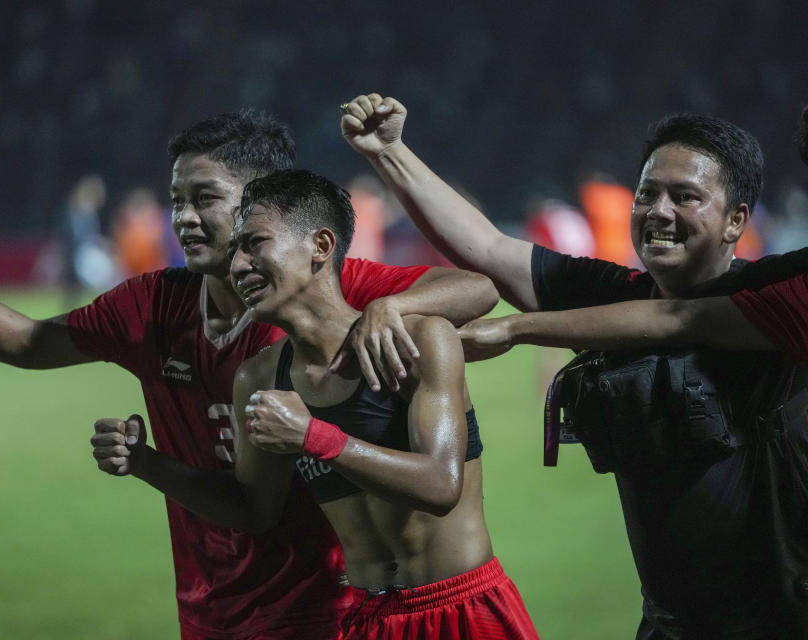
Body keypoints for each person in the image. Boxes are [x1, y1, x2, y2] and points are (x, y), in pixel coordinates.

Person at [0, 110, 498, 640]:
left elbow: (475, 286)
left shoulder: (325, 290)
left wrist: (392, 308)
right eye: (176, 200)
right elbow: (28, 342)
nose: (182, 218)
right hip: (208, 607)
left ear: (263, 203)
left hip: (324, 606)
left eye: (205, 198)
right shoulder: (152, 306)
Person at [341, 93, 808, 638]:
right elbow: (488, 247)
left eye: (685, 197)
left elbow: (683, 320)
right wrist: (390, 152)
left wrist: (517, 328)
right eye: (647, 194)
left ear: (736, 222)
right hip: (667, 626)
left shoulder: (781, 297)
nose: (658, 211)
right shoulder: (612, 292)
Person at [221, 169, 537, 639]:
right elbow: (255, 512)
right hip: (369, 621)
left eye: (254, 243)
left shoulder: (422, 339)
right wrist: (147, 462)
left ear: (322, 246)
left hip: (463, 609)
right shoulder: (258, 378)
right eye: (234, 251)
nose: (238, 265)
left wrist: (313, 436)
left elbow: (440, 484)